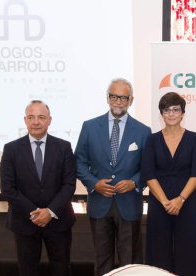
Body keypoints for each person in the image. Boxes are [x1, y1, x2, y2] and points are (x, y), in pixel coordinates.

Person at [75, 78, 151, 276]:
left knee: (131, 263)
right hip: (100, 203)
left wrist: (134, 182)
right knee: (102, 261)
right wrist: (94, 184)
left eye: (123, 97)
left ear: (131, 100)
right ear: (107, 98)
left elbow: (149, 167)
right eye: (114, 96)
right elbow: (79, 162)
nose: (118, 101)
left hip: (129, 204)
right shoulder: (90, 127)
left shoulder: (143, 131)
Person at [0, 100, 76, 276]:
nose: (36, 122)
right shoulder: (11, 149)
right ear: (25, 120)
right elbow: (7, 188)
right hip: (24, 221)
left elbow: (69, 184)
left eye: (41, 117)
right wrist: (35, 212)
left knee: (61, 269)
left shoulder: (64, 147)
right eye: (31, 117)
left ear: (49, 120)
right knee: (27, 270)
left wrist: (49, 212)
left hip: (58, 220)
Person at [141, 92, 196, 275]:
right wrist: (165, 202)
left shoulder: (193, 139)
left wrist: (180, 199)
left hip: (186, 201)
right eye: (166, 110)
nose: (171, 113)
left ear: (183, 113)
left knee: (188, 250)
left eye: (176, 109)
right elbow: (148, 174)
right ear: (161, 114)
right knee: (158, 251)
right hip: (160, 202)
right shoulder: (152, 140)